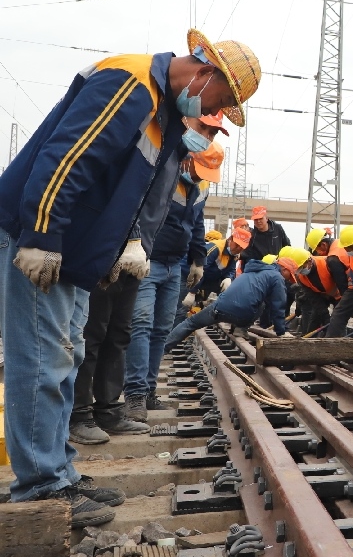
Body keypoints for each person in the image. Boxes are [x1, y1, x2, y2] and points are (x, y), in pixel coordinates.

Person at [0, 28, 258, 526]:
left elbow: (126, 195)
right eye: (220, 99)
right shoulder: (132, 81)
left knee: (65, 354)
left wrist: (114, 251)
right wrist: (42, 233)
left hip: (72, 250)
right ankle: (40, 488)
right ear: (205, 74)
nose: (211, 111)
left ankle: (58, 471)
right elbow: (69, 156)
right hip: (42, 237)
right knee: (42, 360)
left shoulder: (160, 108)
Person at [123, 131, 225, 422]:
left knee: (160, 329)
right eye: (199, 168)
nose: (200, 176)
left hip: (175, 265)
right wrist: (135, 243)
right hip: (149, 260)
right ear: (189, 159)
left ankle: (149, 391)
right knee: (141, 325)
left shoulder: (200, 188)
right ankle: (135, 396)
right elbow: (139, 209)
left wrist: (197, 260)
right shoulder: (162, 173)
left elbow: (196, 225)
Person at [69, 253, 153, 444]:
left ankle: (108, 411)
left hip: (134, 260)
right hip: (106, 254)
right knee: (90, 335)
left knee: (119, 335)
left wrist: (144, 249)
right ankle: (79, 414)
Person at [165, 254, 302, 348]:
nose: (288, 279)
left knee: (190, 323)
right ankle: (240, 328)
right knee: (262, 304)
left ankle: (163, 349)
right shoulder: (276, 277)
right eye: (289, 275)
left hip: (219, 307)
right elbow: (278, 307)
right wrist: (281, 332)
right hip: (241, 313)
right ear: (283, 269)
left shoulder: (254, 270)